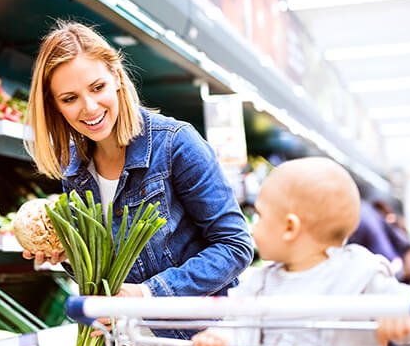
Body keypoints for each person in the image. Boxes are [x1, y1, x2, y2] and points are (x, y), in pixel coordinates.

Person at [21, 21, 254, 314]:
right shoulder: (75, 170)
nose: (90, 107)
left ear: (117, 77)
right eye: (70, 98)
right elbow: (109, 279)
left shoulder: (175, 144)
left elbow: (235, 246)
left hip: (202, 341)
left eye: (98, 87)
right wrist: (71, 256)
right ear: (54, 105)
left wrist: (147, 294)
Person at [192, 157, 410, 346]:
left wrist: (402, 314)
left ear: (290, 228)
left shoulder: (359, 270)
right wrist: (220, 341)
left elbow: (408, 302)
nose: (252, 228)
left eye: (259, 216)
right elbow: (238, 326)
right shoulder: (260, 282)